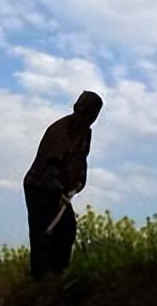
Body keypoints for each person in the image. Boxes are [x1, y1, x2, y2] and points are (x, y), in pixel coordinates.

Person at [23, 91, 102, 280]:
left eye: (93, 116)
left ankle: (59, 272)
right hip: (38, 186)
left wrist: (78, 183)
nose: (89, 119)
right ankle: (41, 277)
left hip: (59, 191)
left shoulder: (85, 134)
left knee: (66, 229)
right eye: (87, 113)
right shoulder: (59, 130)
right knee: (42, 229)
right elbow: (50, 164)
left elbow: (80, 162)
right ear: (77, 109)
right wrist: (58, 189)